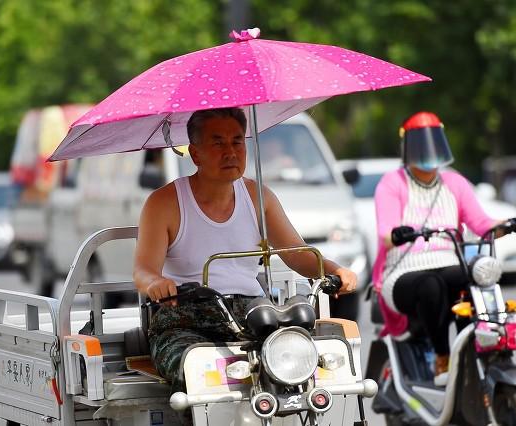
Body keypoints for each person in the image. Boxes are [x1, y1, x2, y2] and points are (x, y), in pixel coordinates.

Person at [133, 107, 357, 390]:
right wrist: (156, 283)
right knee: (200, 378)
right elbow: (143, 270)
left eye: (237, 141)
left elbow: (297, 254)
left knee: (305, 369)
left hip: (253, 316)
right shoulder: (163, 203)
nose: (230, 151)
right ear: (195, 152)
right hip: (184, 321)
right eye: (218, 143)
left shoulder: (258, 196)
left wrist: (336, 270)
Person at [371, 111, 516, 382]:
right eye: (421, 143)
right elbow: (386, 233)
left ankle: (472, 350)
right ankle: (442, 359)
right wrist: (399, 234)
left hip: (447, 262)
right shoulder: (392, 183)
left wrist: (512, 224)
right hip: (401, 271)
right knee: (431, 286)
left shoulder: (455, 182)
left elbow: (481, 224)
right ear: (408, 147)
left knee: (472, 278)